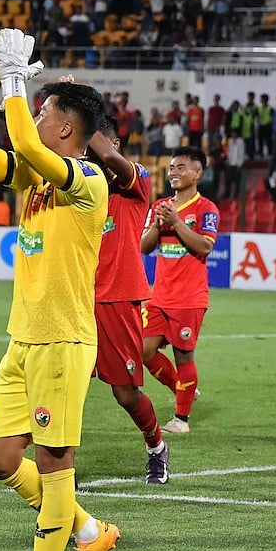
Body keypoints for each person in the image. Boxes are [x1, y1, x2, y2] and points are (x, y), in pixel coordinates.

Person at [0, 29, 120, 551]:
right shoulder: (34, 179)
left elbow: (22, 136)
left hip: (64, 340)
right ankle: (92, 534)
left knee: (53, 461)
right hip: (22, 338)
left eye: (47, 112)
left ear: (66, 129)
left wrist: (18, 78)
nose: (33, 119)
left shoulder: (88, 183)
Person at [85, 110, 169, 483]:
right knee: (60, 384)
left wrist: (79, 110)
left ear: (112, 145)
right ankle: (56, 464)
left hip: (118, 299)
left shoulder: (135, 183)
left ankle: (156, 446)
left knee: (125, 394)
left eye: (91, 147)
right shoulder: (78, 184)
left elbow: (109, 158)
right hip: (73, 299)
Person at [140, 146, 220, 434]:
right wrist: (159, 226)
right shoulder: (160, 205)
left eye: (181, 167)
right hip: (159, 295)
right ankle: (183, 389)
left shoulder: (205, 208)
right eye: (172, 167)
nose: (174, 172)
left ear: (198, 173)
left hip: (189, 298)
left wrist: (176, 222)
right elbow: (144, 247)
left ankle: (181, 419)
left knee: (183, 355)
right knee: (142, 350)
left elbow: (205, 246)